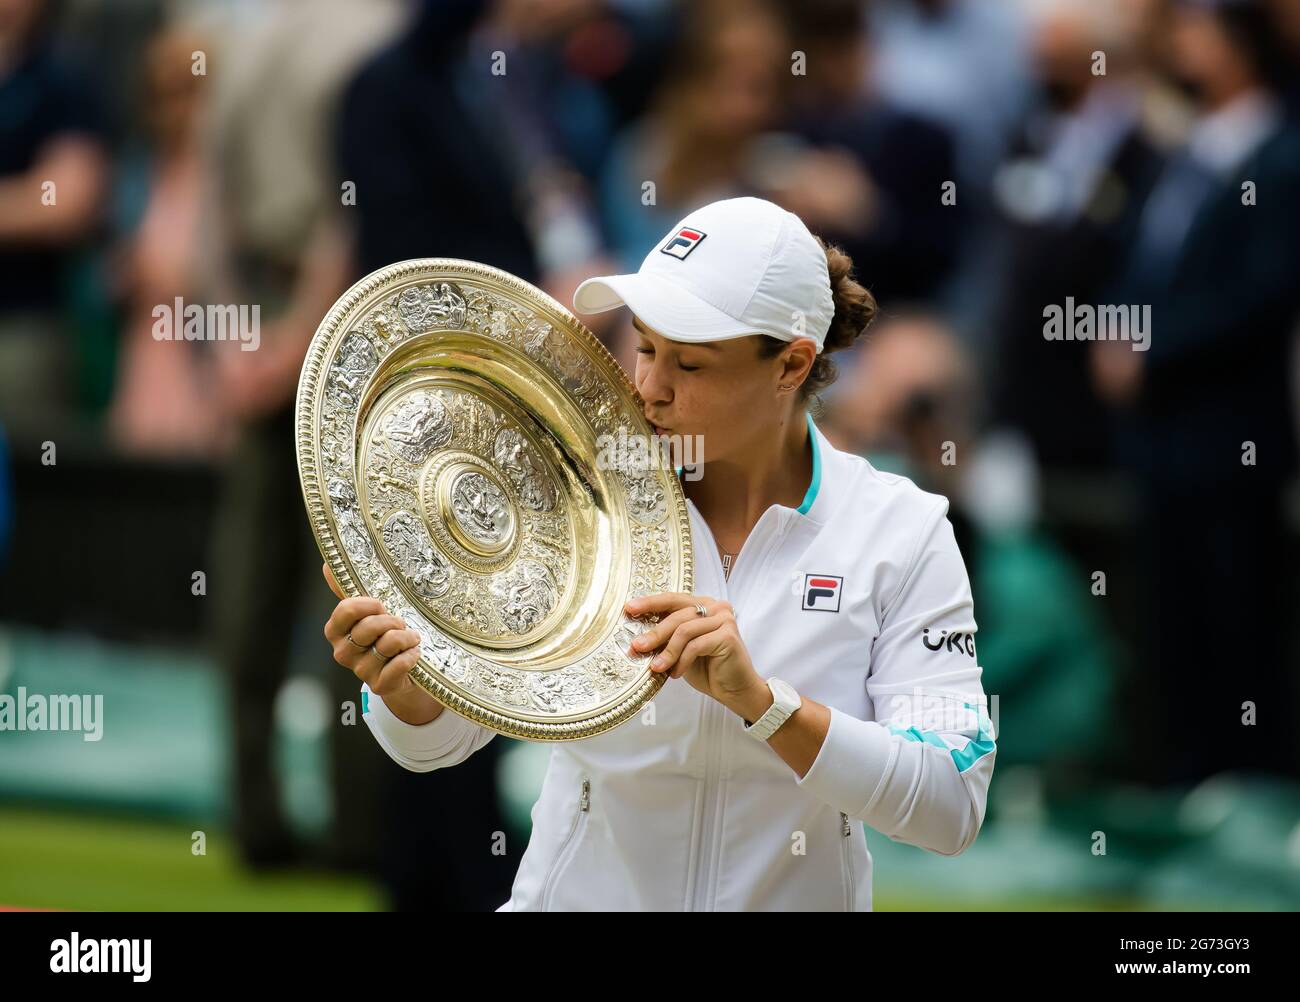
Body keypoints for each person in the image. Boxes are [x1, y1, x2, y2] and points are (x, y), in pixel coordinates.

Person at [323, 196, 997, 910]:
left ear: (792, 365)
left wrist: (763, 705)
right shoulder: (571, 491)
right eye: (644, 347)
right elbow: (435, 746)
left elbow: (950, 804)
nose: (649, 387)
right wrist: (405, 687)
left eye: (690, 364)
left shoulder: (902, 530)